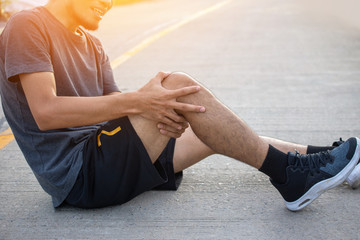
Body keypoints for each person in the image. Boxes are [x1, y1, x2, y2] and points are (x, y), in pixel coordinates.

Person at [0, 0, 359, 211]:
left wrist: (157, 110)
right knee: (179, 87)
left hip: (106, 155)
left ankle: (324, 158)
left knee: (209, 127)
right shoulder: (27, 26)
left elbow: (114, 106)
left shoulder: (91, 44)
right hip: (79, 174)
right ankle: (290, 177)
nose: (109, 2)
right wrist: (149, 100)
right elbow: (45, 113)